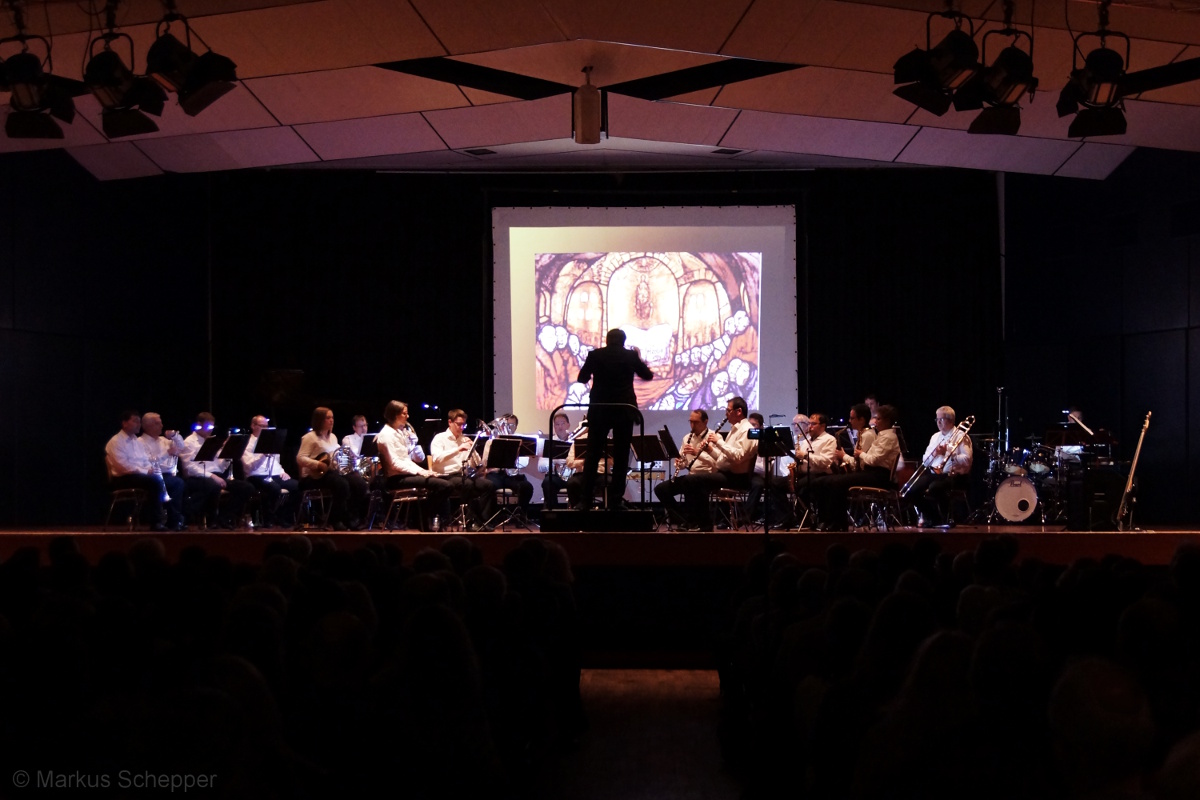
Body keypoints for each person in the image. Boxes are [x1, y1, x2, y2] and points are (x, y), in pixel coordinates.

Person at [576, 328, 655, 510]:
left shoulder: (595, 355)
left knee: (592, 455)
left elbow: (582, 378)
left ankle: (585, 500)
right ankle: (615, 500)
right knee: (621, 457)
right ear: (623, 341)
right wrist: (637, 358)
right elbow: (647, 375)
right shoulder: (630, 356)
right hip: (623, 411)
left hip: (600, 410)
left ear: (606, 340)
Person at [815, 404, 902, 530]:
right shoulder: (882, 436)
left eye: (878, 419)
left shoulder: (888, 437)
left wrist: (860, 454)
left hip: (879, 476)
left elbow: (873, 460)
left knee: (836, 482)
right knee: (830, 481)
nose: (875, 422)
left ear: (887, 421)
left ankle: (838, 524)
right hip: (872, 473)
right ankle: (829, 521)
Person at [377, 400, 453, 529]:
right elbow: (395, 463)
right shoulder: (386, 435)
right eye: (404, 413)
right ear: (395, 415)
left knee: (445, 482)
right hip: (396, 479)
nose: (408, 416)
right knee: (444, 486)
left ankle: (425, 518)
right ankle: (422, 516)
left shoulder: (399, 432)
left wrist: (415, 446)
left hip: (405, 475)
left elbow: (413, 459)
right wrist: (421, 472)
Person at [106, 409, 185, 531]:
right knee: (155, 481)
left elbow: (145, 461)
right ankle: (156, 522)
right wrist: (146, 471)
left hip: (137, 475)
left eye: (139, 422)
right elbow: (122, 466)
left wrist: (151, 469)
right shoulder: (116, 441)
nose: (138, 424)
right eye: (135, 421)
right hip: (122, 478)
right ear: (124, 423)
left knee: (173, 481)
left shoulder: (135, 441)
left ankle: (174, 520)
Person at [179, 412, 256, 529]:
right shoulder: (189, 442)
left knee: (246, 488)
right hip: (198, 477)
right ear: (199, 425)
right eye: (208, 427)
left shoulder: (212, 441)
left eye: (212, 427)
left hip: (216, 476)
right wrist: (213, 477)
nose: (210, 430)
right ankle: (211, 520)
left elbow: (219, 467)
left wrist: (227, 452)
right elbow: (190, 468)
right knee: (213, 486)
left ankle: (224, 518)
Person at [296, 406, 368, 530]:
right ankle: (336, 520)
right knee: (342, 484)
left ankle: (351, 518)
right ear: (319, 420)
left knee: (359, 483)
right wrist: (317, 464)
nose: (331, 420)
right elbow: (300, 458)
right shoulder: (310, 437)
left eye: (332, 417)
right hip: (314, 476)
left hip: (331, 472)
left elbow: (337, 455)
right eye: (328, 418)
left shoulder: (333, 437)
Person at [429, 408, 497, 528]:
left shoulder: (463, 439)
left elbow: (477, 463)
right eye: (459, 424)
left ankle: (482, 521)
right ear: (450, 422)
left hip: (462, 475)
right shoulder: (440, 438)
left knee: (488, 485)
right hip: (446, 476)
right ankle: (469, 520)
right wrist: (458, 449)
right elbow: (436, 458)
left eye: (463, 425)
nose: (461, 428)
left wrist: (473, 448)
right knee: (468, 484)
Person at [905, 406, 973, 526]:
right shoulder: (935, 437)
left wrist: (947, 453)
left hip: (954, 475)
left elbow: (967, 460)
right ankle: (934, 518)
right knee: (911, 490)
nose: (938, 422)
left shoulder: (962, 436)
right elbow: (925, 460)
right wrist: (935, 454)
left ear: (951, 420)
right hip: (935, 473)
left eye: (941, 419)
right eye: (937, 419)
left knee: (935, 488)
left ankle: (947, 519)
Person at [655, 409, 718, 529]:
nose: (692, 425)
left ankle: (696, 523)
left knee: (691, 484)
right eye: (691, 422)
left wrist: (696, 453)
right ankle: (683, 519)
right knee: (661, 489)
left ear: (705, 422)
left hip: (708, 477)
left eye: (696, 422)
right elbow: (684, 462)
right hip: (692, 476)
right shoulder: (687, 438)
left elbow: (717, 463)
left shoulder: (714, 437)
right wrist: (680, 463)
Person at [242, 414, 299, 528]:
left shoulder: (271, 440)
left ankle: (283, 517)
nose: (265, 429)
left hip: (274, 474)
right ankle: (268, 519)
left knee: (296, 486)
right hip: (256, 476)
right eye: (262, 426)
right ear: (253, 426)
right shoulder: (247, 442)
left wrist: (282, 471)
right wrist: (262, 454)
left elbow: (276, 461)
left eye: (266, 426)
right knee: (273, 488)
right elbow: (248, 467)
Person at [483, 412, 535, 520]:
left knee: (527, 487)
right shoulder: (490, 442)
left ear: (516, 427)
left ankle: (520, 515)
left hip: (511, 476)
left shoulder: (521, 441)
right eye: (506, 425)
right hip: (495, 474)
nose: (509, 428)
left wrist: (517, 451)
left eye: (512, 425)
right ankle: (490, 518)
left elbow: (524, 463)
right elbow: (484, 463)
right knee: (489, 486)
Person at [540, 412, 575, 511]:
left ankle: (576, 513)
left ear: (568, 424)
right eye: (557, 424)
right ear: (553, 427)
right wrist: (554, 463)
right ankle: (554, 513)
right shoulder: (549, 442)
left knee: (579, 483)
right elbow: (540, 466)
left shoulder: (575, 440)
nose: (560, 427)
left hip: (573, 475)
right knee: (547, 482)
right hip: (556, 476)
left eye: (563, 423)